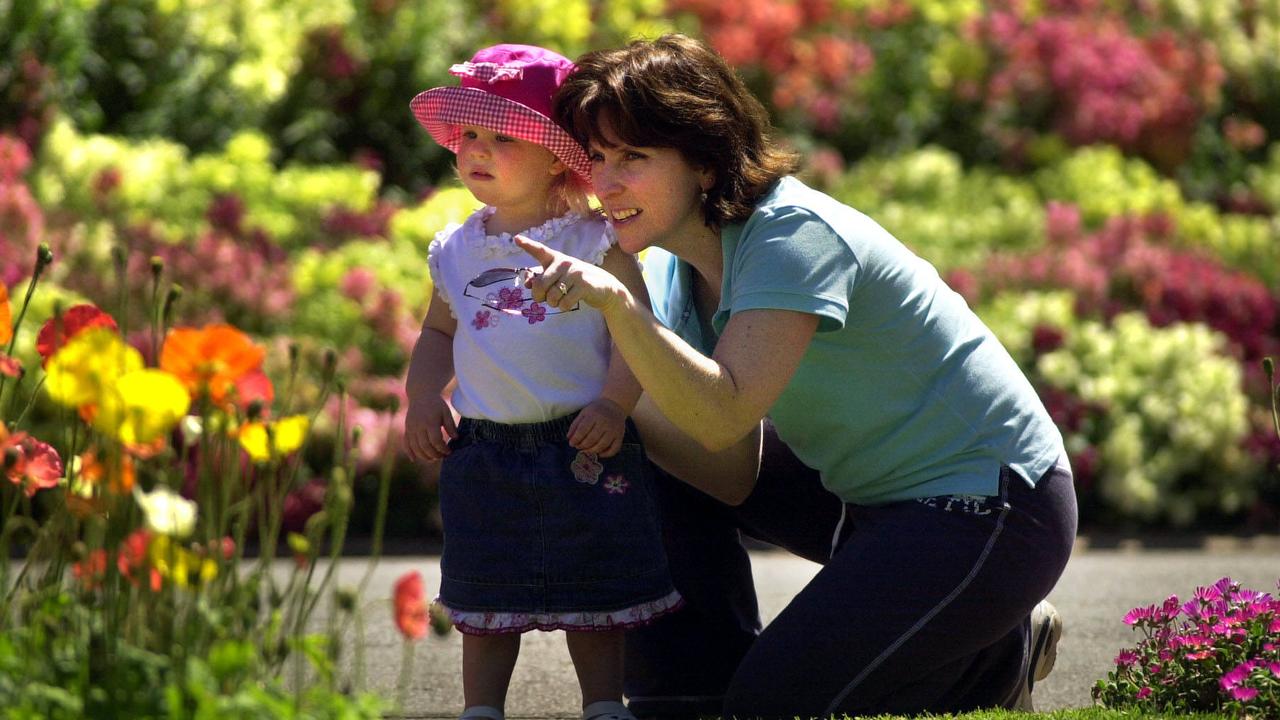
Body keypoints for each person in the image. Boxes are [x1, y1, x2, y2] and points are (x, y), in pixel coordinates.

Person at [510, 34, 1079, 719]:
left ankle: (997, 651)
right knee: (634, 440)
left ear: (706, 161)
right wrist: (567, 388)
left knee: (776, 705)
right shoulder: (672, 268)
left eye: (633, 157)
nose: (605, 184)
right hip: (872, 505)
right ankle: (689, 695)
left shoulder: (790, 233)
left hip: (996, 508)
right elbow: (726, 469)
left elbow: (723, 411)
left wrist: (621, 310)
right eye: (597, 159)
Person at [402, 43, 681, 720]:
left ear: (558, 154)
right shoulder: (455, 248)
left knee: (596, 593)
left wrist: (616, 404)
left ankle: (603, 703)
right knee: (483, 591)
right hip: (485, 449)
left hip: (584, 441)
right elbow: (439, 333)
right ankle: (482, 708)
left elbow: (634, 329)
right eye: (469, 134)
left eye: (503, 136)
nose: (478, 149)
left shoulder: (596, 241)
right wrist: (421, 398)